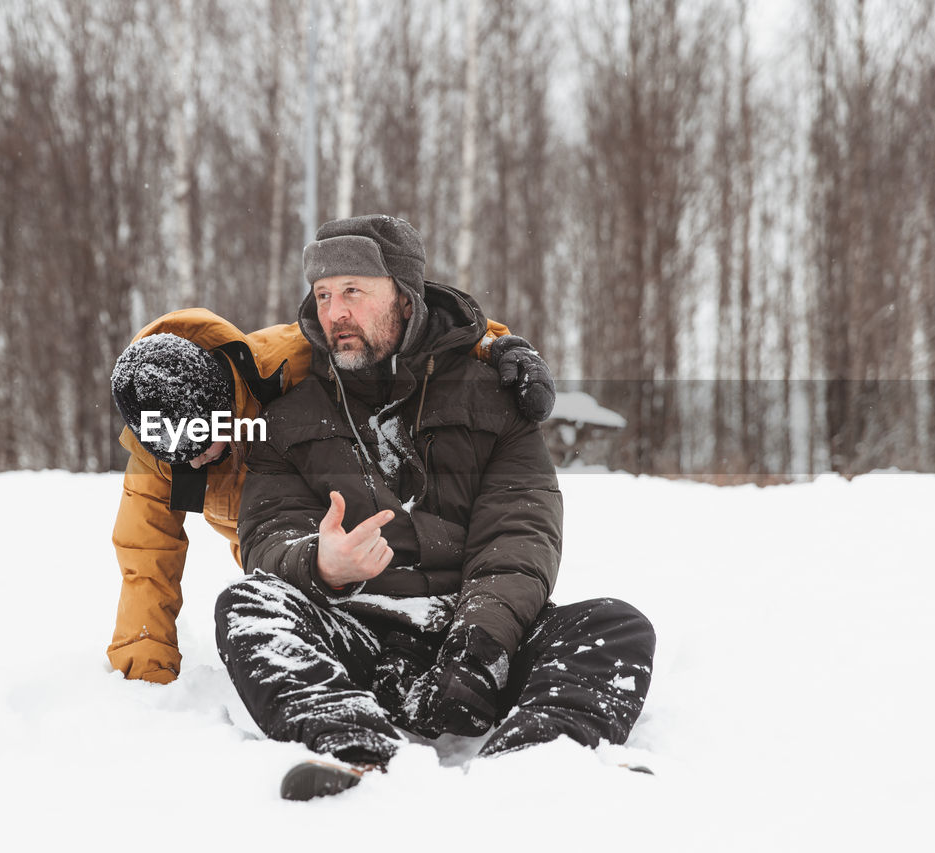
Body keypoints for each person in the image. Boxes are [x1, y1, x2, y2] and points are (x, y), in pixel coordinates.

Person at [213, 214, 656, 800]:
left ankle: (534, 763)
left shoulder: (496, 401)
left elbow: (521, 534)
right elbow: (268, 534)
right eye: (322, 295)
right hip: (357, 631)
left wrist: (480, 641)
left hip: (476, 632)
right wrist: (320, 563)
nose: (334, 312)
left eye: (353, 291)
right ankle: (354, 753)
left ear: (404, 297)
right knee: (249, 607)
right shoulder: (288, 420)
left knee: (614, 626)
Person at [108, 308, 556, 684]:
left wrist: (496, 346)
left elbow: (398, 332)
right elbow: (146, 560)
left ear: (223, 401)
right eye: (184, 456)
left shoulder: (286, 359)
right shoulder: (160, 457)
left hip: (362, 504)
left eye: (206, 442)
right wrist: (146, 679)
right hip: (284, 547)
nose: (200, 461)